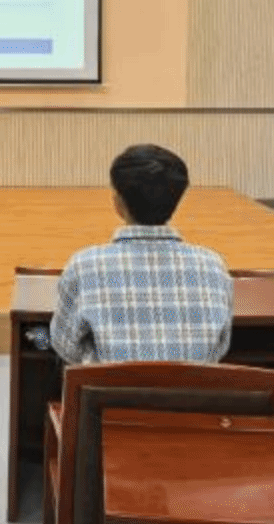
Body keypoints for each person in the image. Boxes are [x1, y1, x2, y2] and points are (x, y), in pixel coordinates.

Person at [50, 144, 233, 366]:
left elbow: (65, 345)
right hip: (192, 390)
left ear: (118, 204)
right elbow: (220, 347)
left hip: (106, 389)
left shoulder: (84, 265)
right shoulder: (213, 266)